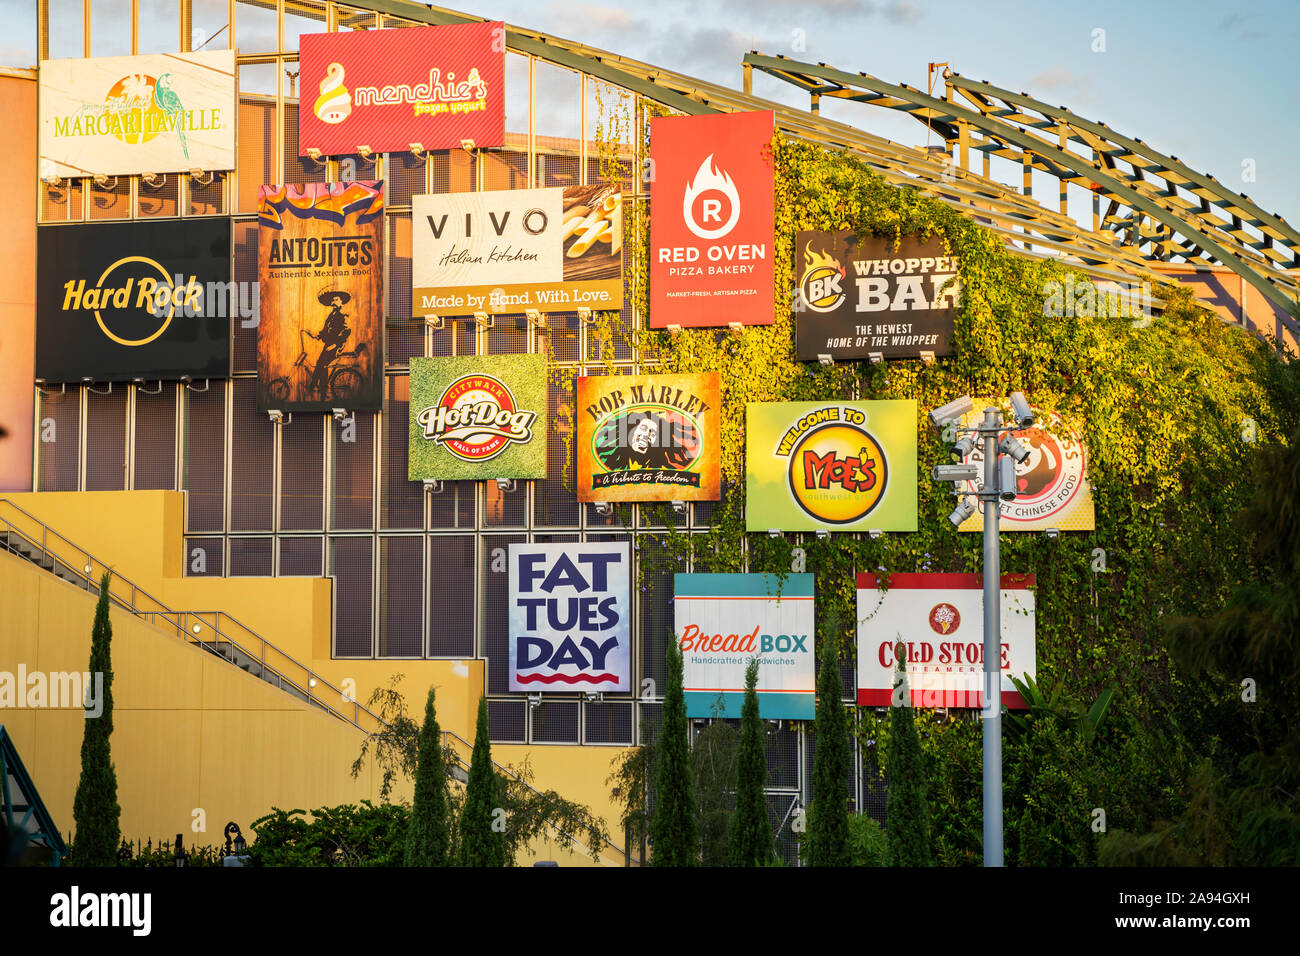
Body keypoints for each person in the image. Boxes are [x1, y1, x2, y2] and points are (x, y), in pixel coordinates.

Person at [595, 409, 695, 471]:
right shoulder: (612, 462)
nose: (646, 435)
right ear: (631, 430)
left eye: (653, 433)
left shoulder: (660, 470)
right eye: (643, 428)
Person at [305, 290, 352, 399]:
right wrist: (315, 335)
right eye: (332, 300)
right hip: (328, 345)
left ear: (341, 302)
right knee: (319, 363)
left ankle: (323, 392)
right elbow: (325, 331)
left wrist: (336, 344)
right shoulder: (332, 315)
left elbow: (346, 331)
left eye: (336, 299)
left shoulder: (343, 315)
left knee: (323, 365)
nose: (333, 302)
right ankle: (313, 386)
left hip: (335, 345)